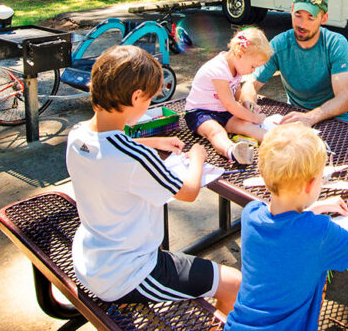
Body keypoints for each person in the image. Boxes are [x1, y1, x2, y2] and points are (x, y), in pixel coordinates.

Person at [65, 45, 241, 315]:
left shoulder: (77, 135)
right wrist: (197, 157)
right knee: (237, 284)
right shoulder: (134, 158)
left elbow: (111, 146)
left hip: (92, 257)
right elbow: (188, 191)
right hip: (129, 273)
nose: (150, 105)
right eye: (150, 100)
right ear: (136, 97)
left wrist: (151, 140)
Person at [224, 123, 348, 331]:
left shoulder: (250, 213)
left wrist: (317, 206)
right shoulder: (318, 231)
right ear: (311, 185)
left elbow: (282, 221)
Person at [241, 0, 348, 127]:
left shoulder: (335, 44)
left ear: (324, 19)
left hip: (335, 118)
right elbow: (251, 83)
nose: (302, 24)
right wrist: (249, 104)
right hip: (296, 114)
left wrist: (311, 117)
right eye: (298, 15)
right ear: (292, 10)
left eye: (310, 18)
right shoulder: (279, 44)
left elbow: (344, 99)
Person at [185, 27, 273, 164]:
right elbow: (229, 104)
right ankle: (231, 151)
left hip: (222, 111)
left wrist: (245, 104)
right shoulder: (218, 69)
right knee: (216, 131)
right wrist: (255, 117)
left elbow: (235, 94)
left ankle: (278, 140)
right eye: (253, 66)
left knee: (245, 125)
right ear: (239, 54)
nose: (253, 71)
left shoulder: (237, 67)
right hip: (199, 113)